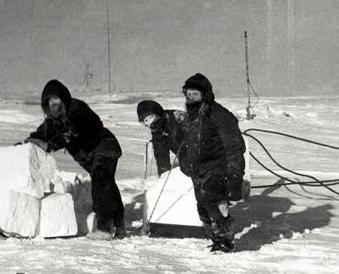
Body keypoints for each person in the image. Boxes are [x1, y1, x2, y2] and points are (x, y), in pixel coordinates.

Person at [139, 73, 246, 253]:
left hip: (217, 165)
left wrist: (235, 175)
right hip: (198, 168)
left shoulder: (218, 114)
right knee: (203, 205)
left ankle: (224, 242)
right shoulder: (190, 117)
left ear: (205, 94)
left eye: (195, 94)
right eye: (188, 94)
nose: (190, 98)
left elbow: (234, 146)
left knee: (215, 202)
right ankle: (214, 237)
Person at [23, 79, 126, 239]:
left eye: (56, 99)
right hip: (92, 156)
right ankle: (119, 225)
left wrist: (51, 145)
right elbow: (40, 135)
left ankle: (104, 229)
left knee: (101, 184)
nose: (54, 103)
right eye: (50, 100)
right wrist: (26, 144)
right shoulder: (52, 121)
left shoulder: (77, 109)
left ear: (63, 98)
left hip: (104, 148)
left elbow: (73, 131)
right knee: (107, 185)